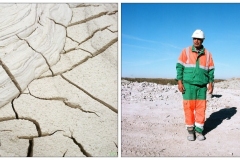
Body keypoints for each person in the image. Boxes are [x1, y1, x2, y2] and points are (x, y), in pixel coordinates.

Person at [176, 29, 215, 141]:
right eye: (194, 38)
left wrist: (211, 84)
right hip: (188, 85)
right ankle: (190, 131)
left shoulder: (208, 54)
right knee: (188, 108)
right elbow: (179, 67)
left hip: (202, 86)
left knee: (201, 109)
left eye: (198, 39)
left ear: (202, 40)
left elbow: (211, 70)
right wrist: (179, 82)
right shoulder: (185, 51)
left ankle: (199, 131)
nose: (196, 41)